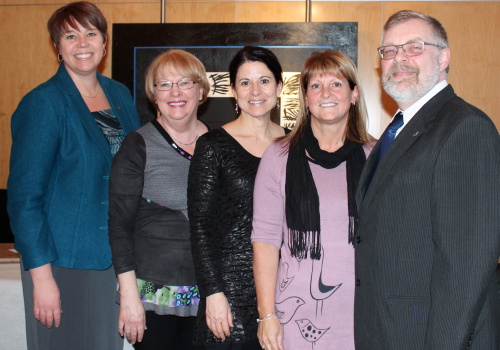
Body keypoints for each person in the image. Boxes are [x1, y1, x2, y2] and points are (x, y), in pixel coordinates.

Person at [354, 10, 500, 349]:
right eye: (389, 50)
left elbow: (466, 266)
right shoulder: (398, 129)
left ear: (444, 57)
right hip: (389, 331)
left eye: (414, 46)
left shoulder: (465, 128)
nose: (399, 58)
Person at [6, 2, 140, 349]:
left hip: (112, 258)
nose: (82, 43)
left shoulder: (120, 95)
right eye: (70, 35)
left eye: (90, 33)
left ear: (104, 42)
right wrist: (43, 277)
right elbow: (25, 199)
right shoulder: (44, 103)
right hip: (61, 261)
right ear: (57, 46)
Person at [251, 50, 373, 350]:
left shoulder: (377, 157)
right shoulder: (277, 156)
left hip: (363, 311)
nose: (326, 93)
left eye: (337, 84)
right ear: (306, 98)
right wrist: (266, 315)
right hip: (295, 316)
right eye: (316, 86)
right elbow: (265, 241)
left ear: (354, 94)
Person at [108, 49, 210, 349]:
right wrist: (129, 298)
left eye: (185, 83)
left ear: (201, 90)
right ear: (154, 94)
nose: (175, 92)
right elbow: (119, 228)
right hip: (153, 300)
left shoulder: (217, 144)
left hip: (206, 297)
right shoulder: (137, 145)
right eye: (164, 84)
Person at [187, 46, 287, 349]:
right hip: (230, 290)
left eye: (264, 81)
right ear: (233, 90)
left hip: (284, 287)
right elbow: (200, 226)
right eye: (245, 82)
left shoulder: (295, 144)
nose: (255, 91)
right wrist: (213, 293)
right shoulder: (212, 146)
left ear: (280, 87)